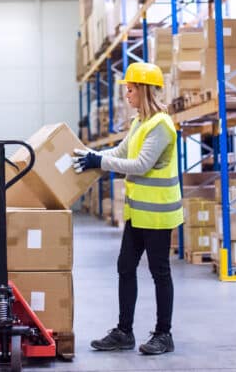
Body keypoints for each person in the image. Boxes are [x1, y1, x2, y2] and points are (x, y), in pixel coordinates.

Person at [72, 61, 180, 356]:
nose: (126, 96)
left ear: (143, 90)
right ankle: (124, 332)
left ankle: (163, 334)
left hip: (158, 213)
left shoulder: (161, 125)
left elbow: (141, 165)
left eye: (130, 90)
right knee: (125, 267)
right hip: (137, 212)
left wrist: (100, 162)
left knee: (160, 272)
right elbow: (120, 153)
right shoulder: (139, 123)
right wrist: (90, 156)